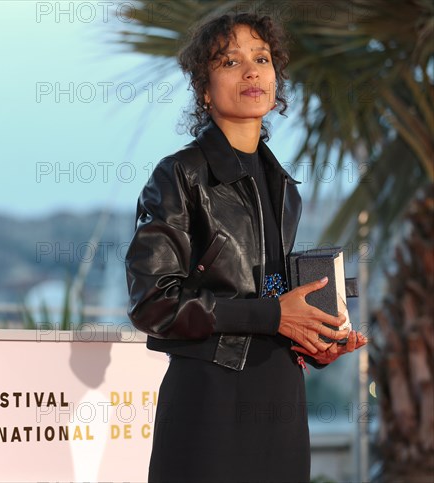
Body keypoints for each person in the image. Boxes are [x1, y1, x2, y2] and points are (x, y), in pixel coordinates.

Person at [124, 12, 368, 483]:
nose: (252, 71)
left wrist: (314, 340)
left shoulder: (284, 187)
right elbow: (152, 303)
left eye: (262, 58)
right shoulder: (179, 176)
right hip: (209, 405)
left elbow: (273, 295)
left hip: (282, 402)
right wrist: (274, 316)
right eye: (231, 62)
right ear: (204, 89)